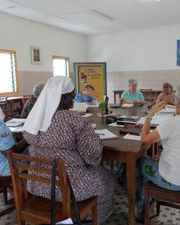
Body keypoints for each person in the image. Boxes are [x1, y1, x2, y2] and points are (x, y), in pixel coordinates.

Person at [23, 76, 114, 225]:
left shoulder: (34, 118)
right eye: (71, 96)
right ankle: (88, 218)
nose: (73, 100)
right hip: (71, 187)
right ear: (63, 97)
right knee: (107, 178)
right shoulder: (73, 120)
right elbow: (93, 154)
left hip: (38, 184)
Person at [135, 78, 180, 222]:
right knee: (153, 160)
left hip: (174, 181)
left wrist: (150, 114)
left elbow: (144, 139)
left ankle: (141, 211)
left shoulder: (174, 122)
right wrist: (163, 155)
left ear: (177, 100)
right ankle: (148, 201)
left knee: (141, 162)